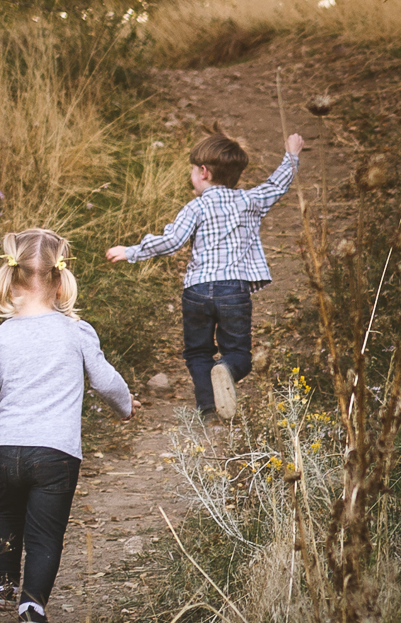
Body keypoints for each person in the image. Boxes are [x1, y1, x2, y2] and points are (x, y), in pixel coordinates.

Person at [0, 227, 132, 623]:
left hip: (5, 449)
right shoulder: (77, 332)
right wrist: (126, 407)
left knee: (6, 512)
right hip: (56, 452)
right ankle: (32, 607)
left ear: (9, 282)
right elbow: (105, 380)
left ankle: (2, 583)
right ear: (62, 282)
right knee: (46, 533)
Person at [108, 123, 305, 420]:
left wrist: (131, 251)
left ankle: (208, 407)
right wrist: (291, 154)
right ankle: (225, 371)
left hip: (197, 290)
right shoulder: (249, 201)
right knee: (238, 353)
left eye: (191, 172)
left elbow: (172, 241)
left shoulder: (195, 207)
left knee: (197, 352)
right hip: (233, 291)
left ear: (203, 172)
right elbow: (278, 185)